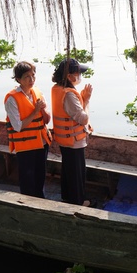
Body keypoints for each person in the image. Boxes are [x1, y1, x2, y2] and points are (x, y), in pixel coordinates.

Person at [5, 61, 52, 198]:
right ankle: (27, 205)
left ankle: (41, 201)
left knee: (40, 176)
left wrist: (42, 109)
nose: (31, 80)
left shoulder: (37, 92)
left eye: (33, 75)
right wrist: (35, 111)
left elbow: (47, 120)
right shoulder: (11, 99)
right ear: (18, 79)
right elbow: (18, 126)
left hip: (41, 142)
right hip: (25, 144)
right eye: (27, 77)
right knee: (27, 178)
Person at [51, 58, 93, 206]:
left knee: (68, 169)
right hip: (74, 140)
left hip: (65, 139)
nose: (80, 76)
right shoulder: (68, 94)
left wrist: (81, 98)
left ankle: (67, 197)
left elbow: (70, 111)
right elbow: (83, 118)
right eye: (77, 73)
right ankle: (78, 202)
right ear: (69, 76)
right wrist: (86, 100)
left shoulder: (59, 89)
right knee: (77, 173)